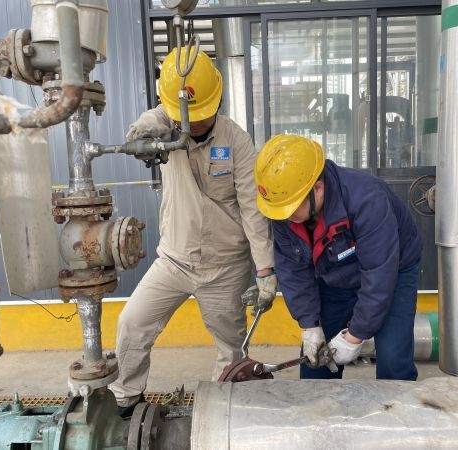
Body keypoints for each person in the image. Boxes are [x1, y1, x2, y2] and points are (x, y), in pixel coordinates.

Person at [110, 48, 276, 415]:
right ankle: (126, 401)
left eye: (202, 115)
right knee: (132, 322)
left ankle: (220, 414)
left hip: (225, 267)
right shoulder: (165, 123)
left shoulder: (237, 141)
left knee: (231, 349)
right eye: (188, 115)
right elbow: (141, 127)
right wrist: (147, 131)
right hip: (174, 260)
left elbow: (252, 208)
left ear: (218, 101)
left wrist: (265, 270)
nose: (195, 123)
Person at [253, 134, 422, 380]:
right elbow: (293, 270)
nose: (285, 217)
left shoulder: (366, 199)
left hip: (392, 270)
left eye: (291, 208)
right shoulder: (284, 209)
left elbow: (379, 276)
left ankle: (399, 399)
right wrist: (310, 325)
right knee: (316, 363)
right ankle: (319, 405)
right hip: (333, 273)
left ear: (318, 189)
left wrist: (354, 337)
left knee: (393, 359)